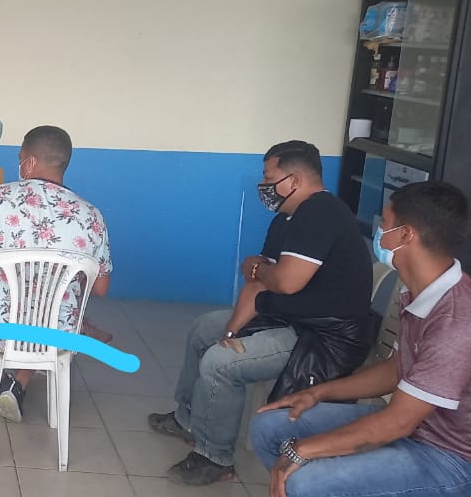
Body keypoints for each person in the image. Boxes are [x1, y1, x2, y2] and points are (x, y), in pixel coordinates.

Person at [148, 140, 374, 486]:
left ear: (294, 180)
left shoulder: (321, 213)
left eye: (269, 177)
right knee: (205, 329)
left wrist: (257, 270)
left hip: (321, 336)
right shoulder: (286, 218)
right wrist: (231, 331)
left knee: (220, 363)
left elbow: (285, 281)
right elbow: (259, 283)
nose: (263, 185)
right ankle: (188, 418)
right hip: (287, 318)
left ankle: (214, 457)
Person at [250, 181, 471, 497]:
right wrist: (317, 393)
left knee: (307, 481)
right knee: (269, 427)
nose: (379, 231)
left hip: (450, 457)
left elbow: (398, 422)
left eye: (385, 223)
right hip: (415, 429)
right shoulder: (416, 291)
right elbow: (396, 369)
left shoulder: (456, 319)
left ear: (406, 235)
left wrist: (303, 451)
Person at [0, 125, 113, 422]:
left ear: (30, 162)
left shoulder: (2, 197)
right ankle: (18, 383)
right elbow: (100, 288)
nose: (19, 165)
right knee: (58, 309)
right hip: (58, 335)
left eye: (20, 158)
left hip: (0, 331)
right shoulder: (92, 216)